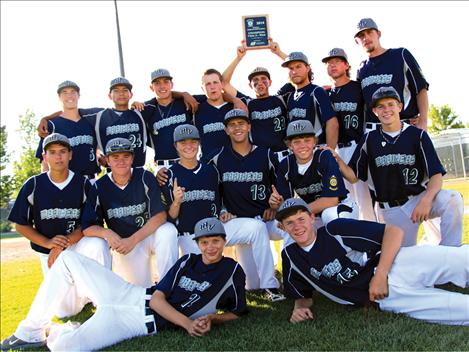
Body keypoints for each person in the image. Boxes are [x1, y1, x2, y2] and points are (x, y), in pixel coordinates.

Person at [0, 217, 247, 351]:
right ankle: (31, 330)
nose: (210, 247)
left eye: (216, 240)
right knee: (66, 259)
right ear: (198, 244)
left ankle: (57, 331)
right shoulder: (187, 261)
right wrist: (187, 324)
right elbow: (158, 298)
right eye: (205, 242)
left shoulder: (232, 271)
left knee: (65, 347)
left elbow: (237, 311)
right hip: (130, 294)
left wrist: (213, 319)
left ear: (224, 241)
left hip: (134, 322)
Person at [276, 197, 468, 326]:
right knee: (458, 308)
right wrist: (299, 309)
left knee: (458, 258)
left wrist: (381, 274)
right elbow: (302, 295)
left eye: (301, 219)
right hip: (385, 297)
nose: (297, 226)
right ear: (282, 227)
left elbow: (393, 231)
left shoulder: (335, 229)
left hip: (397, 264)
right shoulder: (291, 257)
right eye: (289, 223)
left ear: (311, 218)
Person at [161, 124, 282, 302]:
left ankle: (269, 285)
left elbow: (221, 197)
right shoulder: (168, 175)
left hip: (216, 228)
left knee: (256, 227)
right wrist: (177, 201)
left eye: (193, 142)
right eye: (183, 142)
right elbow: (170, 216)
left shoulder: (211, 169)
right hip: (190, 236)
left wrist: (224, 211)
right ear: (175, 146)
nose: (189, 146)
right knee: (202, 287)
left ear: (199, 144)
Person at [336, 87, 463, 247]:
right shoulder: (369, 139)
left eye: (391, 104)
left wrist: (426, 200)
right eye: (381, 106)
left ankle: (450, 254)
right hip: (391, 210)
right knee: (401, 262)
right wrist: (338, 160)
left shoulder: (418, 135)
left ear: (400, 107)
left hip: (418, 199)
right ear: (375, 111)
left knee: (452, 199)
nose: (386, 109)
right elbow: (353, 176)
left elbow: (436, 174)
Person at [8, 133, 110, 317]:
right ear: (45, 157)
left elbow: (89, 224)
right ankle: (83, 293)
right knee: (65, 312)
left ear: (70, 155)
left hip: (77, 245)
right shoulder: (33, 185)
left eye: (63, 151)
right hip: (48, 252)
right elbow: (20, 225)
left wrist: (61, 244)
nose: (58, 157)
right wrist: (49, 244)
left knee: (98, 244)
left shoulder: (83, 183)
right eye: (52, 152)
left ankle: (106, 301)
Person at [209, 109, 286, 300]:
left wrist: (275, 206)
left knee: (292, 228)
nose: (237, 128)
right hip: (238, 223)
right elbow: (208, 188)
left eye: (241, 123)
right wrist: (222, 210)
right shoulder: (217, 157)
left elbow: (282, 188)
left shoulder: (267, 154)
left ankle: (286, 281)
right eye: (232, 125)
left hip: (266, 220)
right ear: (226, 130)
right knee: (252, 285)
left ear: (249, 126)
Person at [81, 137, 179, 287]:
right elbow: (87, 227)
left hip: (146, 236)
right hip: (125, 244)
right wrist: (108, 233)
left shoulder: (144, 176)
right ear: (107, 160)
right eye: (115, 157)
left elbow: (160, 216)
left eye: (126, 156)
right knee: (139, 289)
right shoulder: (99, 186)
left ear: (132, 158)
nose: (121, 161)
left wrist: (133, 240)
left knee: (168, 231)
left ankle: (168, 288)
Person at [38, 77, 148, 168]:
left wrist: (99, 155)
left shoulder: (139, 112)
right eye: (65, 92)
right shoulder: (99, 115)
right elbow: (68, 111)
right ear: (110, 95)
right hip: (106, 174)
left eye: (125, 90)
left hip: (135, 169)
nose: (69, 96)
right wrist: (45, 118)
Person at [269, 120, 358, 229]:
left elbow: (331, 200)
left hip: (340, 207)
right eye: (297, 142)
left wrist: (296, 213)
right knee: (285, 225)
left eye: (307, 140)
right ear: (290, 145)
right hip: (312, 214)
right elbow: (287, 203)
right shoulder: (286, 164)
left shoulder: (324, 156)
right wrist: (277, 204)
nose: (302, 146)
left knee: (330, 216)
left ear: (314, 142)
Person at [322, 48, 375, 221]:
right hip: (337, 150)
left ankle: (372, 243)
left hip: (357, 147)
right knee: (347, 201)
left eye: (337, 61)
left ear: (346, 65)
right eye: (329, 63)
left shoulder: (358, 88)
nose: (333, 65)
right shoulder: (326, 94)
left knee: (364, 199)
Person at [354, 18, 429, 131]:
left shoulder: (400, 55)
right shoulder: (361, 69)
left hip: (404, 125)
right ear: (356, 41)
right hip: (374, 130)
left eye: (370, 32)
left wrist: (423, 122)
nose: (366, 38)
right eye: (361, 35)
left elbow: (421, 89)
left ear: (378, 34)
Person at [221, 41, 289, 162]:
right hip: (260, 157)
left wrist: (278, 52)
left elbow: (300, 70)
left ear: (270, 82)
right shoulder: (248, 103)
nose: (260, 82)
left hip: (283, 155)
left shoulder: (281, 98)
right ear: (250, 85)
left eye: (264, 79)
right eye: (255, 80)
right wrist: (238, 58)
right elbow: (224, 82)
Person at [35, 81, 100, 180]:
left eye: (73, 92)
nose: (69, 96)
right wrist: (46, 185)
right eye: (65, 92)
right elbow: (45, 161)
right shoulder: (51, 125)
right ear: (59, 97)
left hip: (90, 179)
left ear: (79, 95)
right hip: (64, 181)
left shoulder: (90, 119)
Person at [137, 69, 195, 171]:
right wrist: (133, 105)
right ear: (151, 87)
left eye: (166, 82)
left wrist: (234, 99)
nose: (162, 86)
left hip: (188, 163)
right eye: (157, 83)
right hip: (163, 167)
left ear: (171, 84)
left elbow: (214, 97)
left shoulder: (185, 102)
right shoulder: (148, 109)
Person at [278, 52, 339, 149]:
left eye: (298, 67)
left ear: (307, 68)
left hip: (316, 149)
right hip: (299, 151)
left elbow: (332, 123)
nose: (294, 72)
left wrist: (330, 150)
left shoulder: (317, 91)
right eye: (291, 68)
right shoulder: (290, 96)